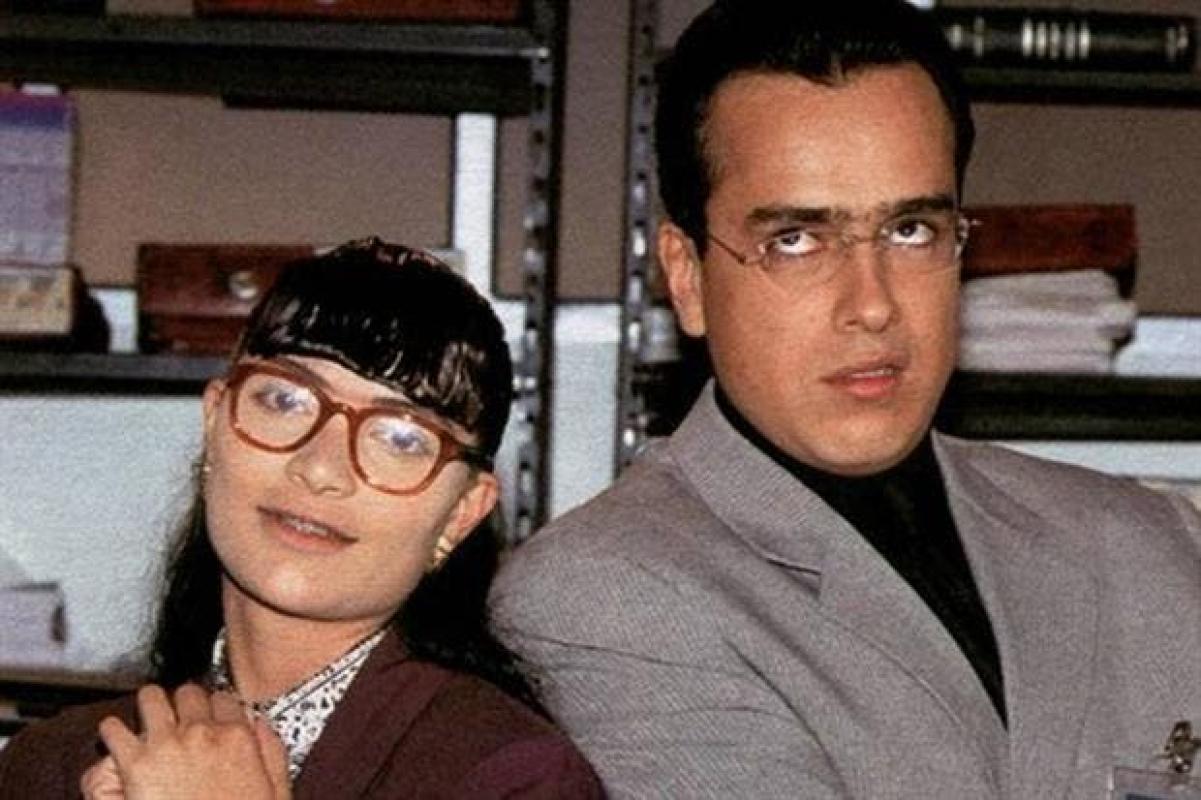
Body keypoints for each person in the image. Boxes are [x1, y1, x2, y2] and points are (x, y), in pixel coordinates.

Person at [489, 2, 1201, 797]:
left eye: (910, 230)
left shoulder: (1149, 545)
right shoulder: (601, 597)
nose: (871, 305)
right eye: (795, 240)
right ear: (686, 277)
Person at [0, 238, 603, 799]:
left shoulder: (511, 780)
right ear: (215, 423)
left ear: (460, 514)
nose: (320, 468)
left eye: (400, 438)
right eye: (284, 400)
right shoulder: (52, 766)